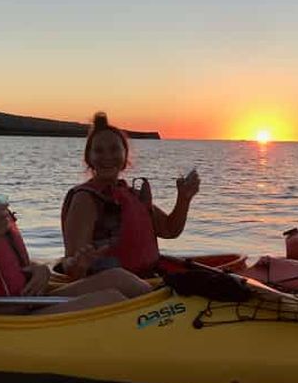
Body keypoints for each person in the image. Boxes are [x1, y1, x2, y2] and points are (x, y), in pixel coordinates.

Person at [0, 132, 150, 331]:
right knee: (109, 300)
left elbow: (6, 265)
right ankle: (154, 335)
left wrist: (39, 269)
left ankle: (169, 316)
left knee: (119, 278)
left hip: (26, 303)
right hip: (4, 323)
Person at [61, 112, 200, 280]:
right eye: (98, 150)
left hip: (148, 280)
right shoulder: (85, 199)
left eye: (114, 149)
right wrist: (78, 264)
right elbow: (73, 269)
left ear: (125, 156)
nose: (107, 156)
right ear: (89, 159)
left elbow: (170, 230)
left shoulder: (133, 195)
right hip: (113, 289)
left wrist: (184, 199)